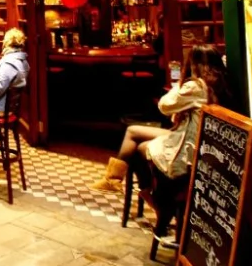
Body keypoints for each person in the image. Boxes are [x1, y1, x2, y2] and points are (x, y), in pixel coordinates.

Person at [90, 44, 231, 193]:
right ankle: (115, 180)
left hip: (188, 143)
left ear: (194, 64)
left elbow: (164, 106)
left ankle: (146, 190)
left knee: (139, 147)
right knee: (132, 131)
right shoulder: (220, 83)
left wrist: (181, 82)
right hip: (196, 138)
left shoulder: (195, 86)